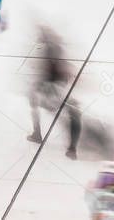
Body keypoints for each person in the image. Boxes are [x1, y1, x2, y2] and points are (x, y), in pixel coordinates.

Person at [26, 28, 81, 160]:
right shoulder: (55, 50)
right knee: (74, 113)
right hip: (56, 89)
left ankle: (37, 133)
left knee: (33, 101)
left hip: (52, 89)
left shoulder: (45, 52)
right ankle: (72, 147)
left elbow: (42, 73)